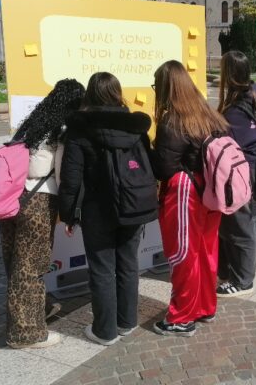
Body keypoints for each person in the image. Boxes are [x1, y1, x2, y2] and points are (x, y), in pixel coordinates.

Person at [58, 72, 155, 346]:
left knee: (102, 269)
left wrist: (68, 214)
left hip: (97, 210)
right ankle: (127, 321)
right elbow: (148, 164)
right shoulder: (136, 127)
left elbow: (71, 177)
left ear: (90, 94)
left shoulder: (80, 128)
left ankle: (104, 331)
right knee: (128, 264)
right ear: (117, 93)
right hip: (133, 206)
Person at [0, 79, 84, 349]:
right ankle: (26, 333)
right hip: (38, 201)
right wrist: (70, 213)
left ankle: (36, 310)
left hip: (10, 197)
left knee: (16, 263)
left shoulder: (31, 124)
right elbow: (63, 175)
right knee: (30, 267)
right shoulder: (63, 130)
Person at [152, 60, 229, 336]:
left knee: (183, 253)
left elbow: (164, 167)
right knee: (206, 251)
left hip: (185, 192)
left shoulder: (173, 119)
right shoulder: (208, 113)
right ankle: (205, 307)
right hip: (211, 189)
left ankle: (181, 317)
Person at [215, 51, 256, 297]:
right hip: (250, 167)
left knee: (240, 226)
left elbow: (225, 140)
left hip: (240, 171)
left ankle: (244, 281)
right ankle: (230, 271)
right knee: (234, 223)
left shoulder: (236, 107)